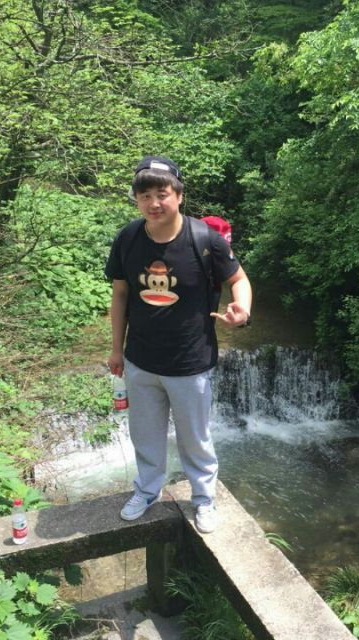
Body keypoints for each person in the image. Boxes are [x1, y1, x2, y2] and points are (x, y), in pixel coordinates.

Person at [105, 155, 252, 534]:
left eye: (162, 194)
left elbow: (239, 280)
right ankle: (146, 490)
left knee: (195, 438)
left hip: (190, 362)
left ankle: (203, 498)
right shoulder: (127, 238)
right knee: (145, 434)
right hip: (140, 360)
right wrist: (116, 348)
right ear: (136, 200)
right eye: (145, 196)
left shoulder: (205, 240)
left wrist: (242, 310)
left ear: (179, 195)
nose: (154, 203)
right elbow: (120, 294)